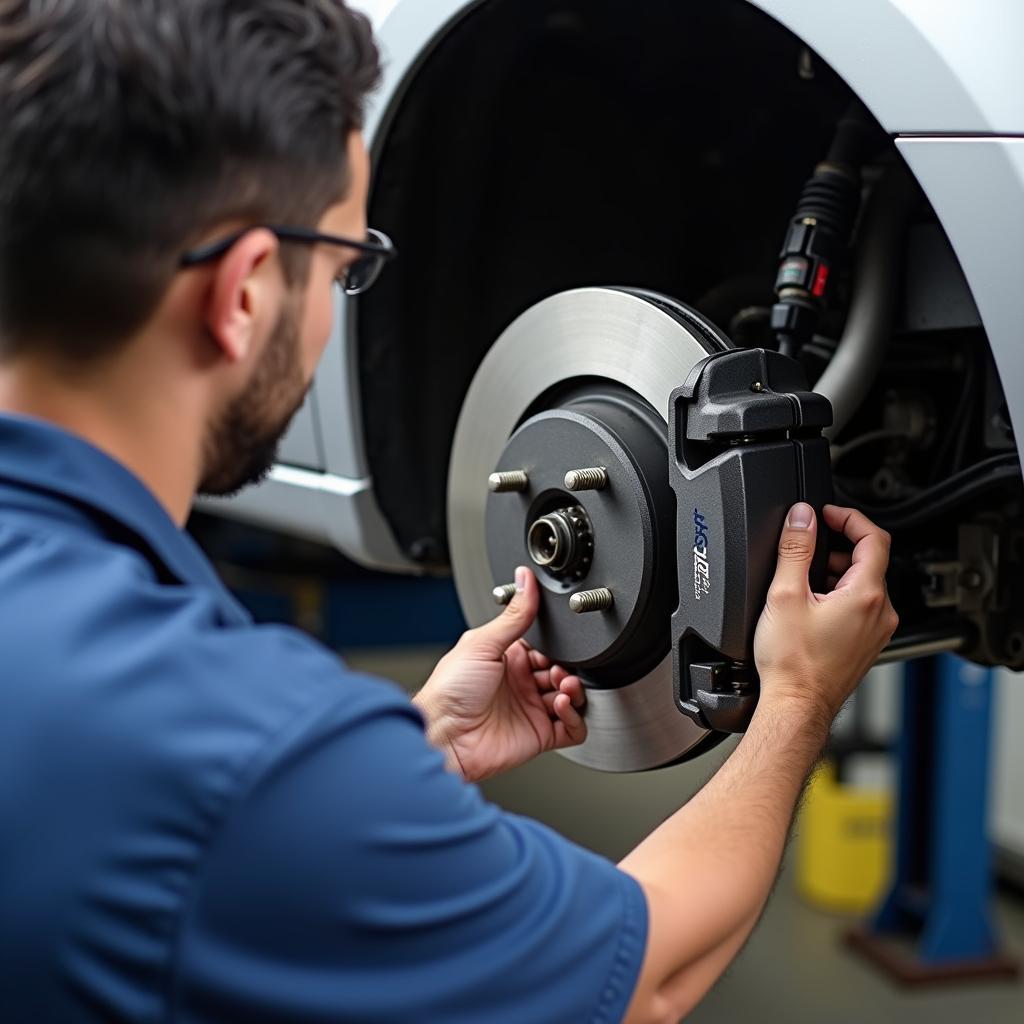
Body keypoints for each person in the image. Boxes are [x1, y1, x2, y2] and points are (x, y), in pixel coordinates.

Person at [0, 3, 898, 1021]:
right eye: (345, 268)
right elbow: (647, 977)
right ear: (246, 293)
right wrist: (795, 701)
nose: (344, 304)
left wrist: (415, 751)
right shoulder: (236, 745)